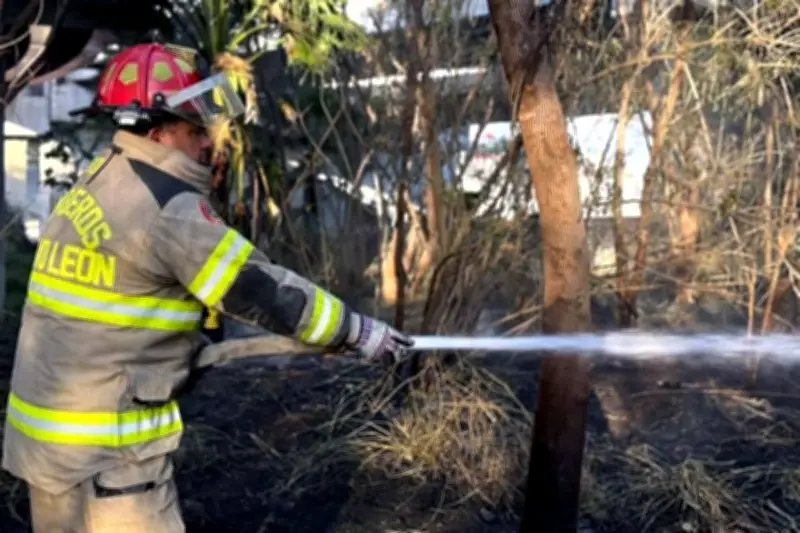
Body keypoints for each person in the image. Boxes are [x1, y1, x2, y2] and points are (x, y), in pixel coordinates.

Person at [1, 43, 413, 533]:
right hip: (110, 461)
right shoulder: (166, 208)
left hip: (47, 446)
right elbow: (259, 290)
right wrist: (356, 330)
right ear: (157, 130)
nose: (208, 143)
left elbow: (118, 306)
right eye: (195, 129)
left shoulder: (98, 181)